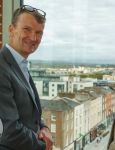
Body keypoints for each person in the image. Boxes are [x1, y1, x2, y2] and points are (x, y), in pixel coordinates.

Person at [0, 5, 53, 150]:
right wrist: (43, 145)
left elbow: (28, 114)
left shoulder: (20, 64)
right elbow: (9, 131)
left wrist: (44, 128)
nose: (33, 38)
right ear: (11, 29)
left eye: (39, 32)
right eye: (27, 29)